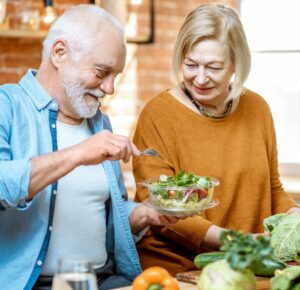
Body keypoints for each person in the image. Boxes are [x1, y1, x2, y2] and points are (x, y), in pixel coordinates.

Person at [132, 3, 300, 275]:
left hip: (247, 267)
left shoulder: (258, 109)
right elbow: (161, 210)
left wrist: (297, 219)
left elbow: (272, 188)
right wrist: (236, 241)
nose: (200, 78)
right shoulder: (158, 114)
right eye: (190, 64)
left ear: (236, 63)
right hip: (177, 271)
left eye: (213, 66)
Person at [0, 5, 179, 290]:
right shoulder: (7, 106)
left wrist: (144, 214)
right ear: (60, 53)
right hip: (31, 284)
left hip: (104, 280)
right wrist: (78, 154)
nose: (109, 88)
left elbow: (104, 215)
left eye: (116, 76)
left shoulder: (99, 123)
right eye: (101, 72)